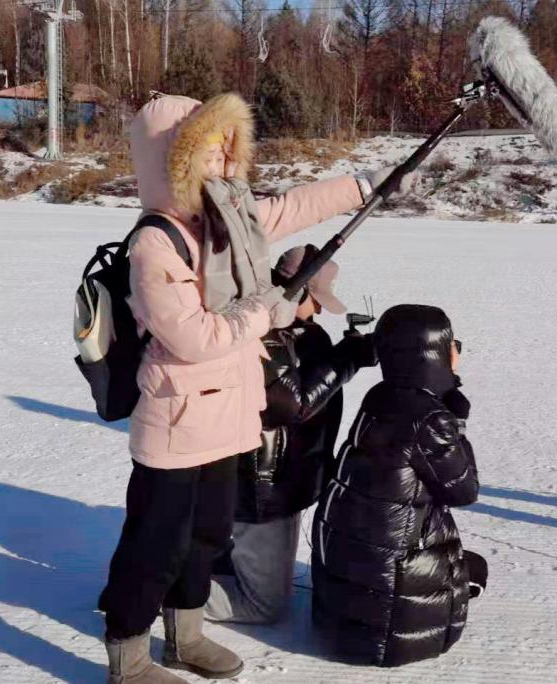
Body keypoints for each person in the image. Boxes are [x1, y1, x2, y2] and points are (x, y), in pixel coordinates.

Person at [100, 91, 414, 684]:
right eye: (210, 153)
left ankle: (185, 636)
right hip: (176, 424)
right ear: (175, 159)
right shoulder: (156, 242)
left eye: (227, 150)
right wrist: (264, 313)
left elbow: (294, 207)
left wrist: (367, 185)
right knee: (154, 545)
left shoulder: (230, 222)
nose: (224, 164)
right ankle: (128, 657)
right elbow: (191, 338)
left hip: (227, 420)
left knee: (208, 536)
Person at [204, 245, 378, 624]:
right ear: (295, 291)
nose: (317, 309)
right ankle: (162, 594)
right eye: (314, 300)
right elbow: (286, 404)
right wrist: (346, 358)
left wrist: (346, 352)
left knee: (232, 558)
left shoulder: (301, 332)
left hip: (280, 478)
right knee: (264, 607)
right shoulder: (257, 330)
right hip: (260, 486)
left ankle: (189, 570)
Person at [310, 304, 485, 667]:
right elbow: (464, 490)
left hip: (348, 594)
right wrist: (457, 422)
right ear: (433, 354)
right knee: (476, 568)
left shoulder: (381, 395)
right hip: (386, 627)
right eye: (452, 344)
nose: (457, 351)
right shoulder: (429, 418)